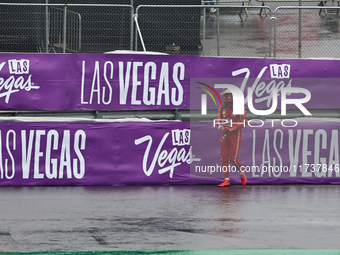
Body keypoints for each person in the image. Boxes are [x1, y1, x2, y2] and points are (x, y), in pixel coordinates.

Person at [216, 88, 247, 187]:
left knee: (233, 159)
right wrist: (221, 128)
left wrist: (233, 128)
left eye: (230, 95)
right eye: (226, 95)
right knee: (224, 158)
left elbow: (244, 122)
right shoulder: (222, 107)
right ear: (223, 96)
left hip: (235, 134)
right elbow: (218, 120)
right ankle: (226, 180)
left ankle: (242, 173)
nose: (228, 97)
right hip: (225, 134)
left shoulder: (239, 105)